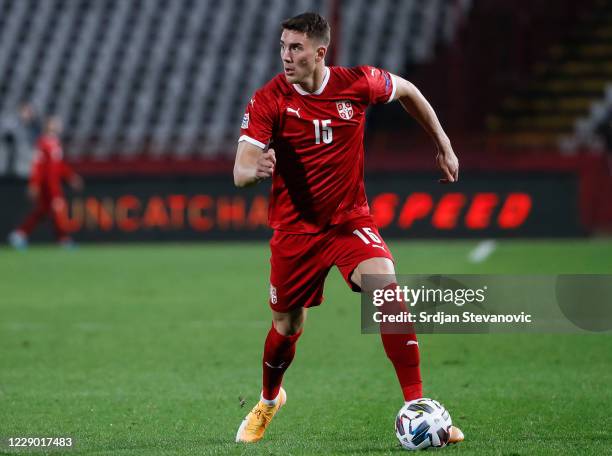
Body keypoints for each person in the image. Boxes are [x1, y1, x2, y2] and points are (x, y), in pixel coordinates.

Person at [233, 12, 463, 445]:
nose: (285, 55)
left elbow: (409, 91)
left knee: (386, 288)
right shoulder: (270, 99)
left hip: (349, 220)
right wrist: (254, 170)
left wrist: (443, 145)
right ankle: (268, 400)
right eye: (283, 46)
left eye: (295, 48)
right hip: (295, 231)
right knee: (285, 325)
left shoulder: (357, 83)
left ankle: (417, 403)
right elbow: (241, 167)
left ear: (320, 52)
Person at [8, 116, 83, 249]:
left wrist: (71, 176)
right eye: (55, 123)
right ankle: (63, 240)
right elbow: (38, 166)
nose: (58, 126)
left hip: (54, 185)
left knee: (42, 212)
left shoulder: (56, 143)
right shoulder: (42, 143)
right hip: (47, 186)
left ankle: (20, 234)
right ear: (49, 126)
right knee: (58, 211)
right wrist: (34, 183)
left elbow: (60, 165)